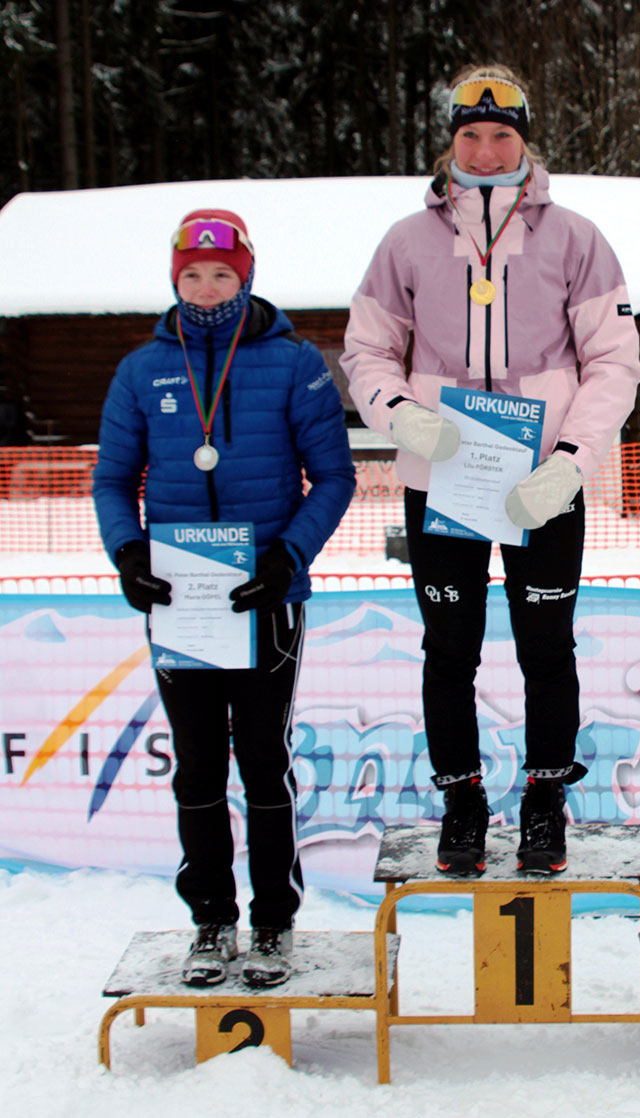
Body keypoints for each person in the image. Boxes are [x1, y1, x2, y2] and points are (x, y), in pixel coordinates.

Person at [341, 64, 640, 875]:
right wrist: (399, 415)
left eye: (500, 135)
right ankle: (462, 801)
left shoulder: (574, 238)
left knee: (548, 649)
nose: (483, 150)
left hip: (543, 481)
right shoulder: (406, 241)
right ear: (450, 142)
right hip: (443, 476)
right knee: (450, 650)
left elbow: (614, 362)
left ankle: (546, 800)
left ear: (524, 140)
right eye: (469, 135)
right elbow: (367, 350)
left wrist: (572, 463)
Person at [92, 208, 355, 987]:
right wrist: (128, 552)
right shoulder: (141, 370)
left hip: (266, 596)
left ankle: (274, 921)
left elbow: (333, 476)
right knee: (198, 766)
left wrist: (288, 555)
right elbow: (112, 479)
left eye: (221, 274)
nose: (206, 289)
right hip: (181, 599)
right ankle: (211, 919)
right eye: (192, 275)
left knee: (265, 761)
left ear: (246, 275)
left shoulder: (296, 363)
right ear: (174, 279)